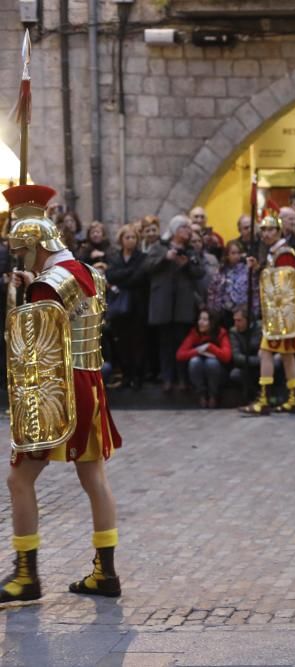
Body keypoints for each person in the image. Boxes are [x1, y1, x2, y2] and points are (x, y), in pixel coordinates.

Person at [1, 184, 123, 604]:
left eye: (22, 251)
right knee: (93, 477)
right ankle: (105, 571)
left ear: (35, 244)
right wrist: (27, 285)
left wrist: (17, 296)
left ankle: (25, 575)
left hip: (57, 389)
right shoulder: (88, 273)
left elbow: (33, 351)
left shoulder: (48, 285)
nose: (20, 257)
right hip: (90, 381)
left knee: (19, 478)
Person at [242, 216, 295, 415]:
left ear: (278, 231)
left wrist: (260, 271)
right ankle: (293, 398)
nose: (266, 233)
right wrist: (259, 268)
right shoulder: (272, 253)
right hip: (278, 316)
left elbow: (282, 286)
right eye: (263, 230)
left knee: (266, 353)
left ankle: (264, 399)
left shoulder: (284, 253)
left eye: (270, 230)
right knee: (287, 356)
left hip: (281, 317)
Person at [145, 214, 205, 392]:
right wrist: (165, 259)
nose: (188, 231)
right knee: (165, 343)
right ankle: (167, 378)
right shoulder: (158, 247)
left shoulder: (191, 250)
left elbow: (199, 271)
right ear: (175, 230)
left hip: (182, 303)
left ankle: (182, 378)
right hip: (163, 303)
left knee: (182, 341)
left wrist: (186, 264)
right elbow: (146, 267)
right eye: (184, 227)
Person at [105, 223, 148, 390]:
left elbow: (139, 277)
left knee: (138, 342)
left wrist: (122, 278)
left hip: (137, 307)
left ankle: (138, 376)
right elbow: (111, 275)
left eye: (133, 237)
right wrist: (127, 273)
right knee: (121, 343)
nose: (130, 240)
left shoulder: (142, 257)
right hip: (119, 308)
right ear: (121, 240)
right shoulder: (115, 258)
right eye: (127, 237)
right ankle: (126, 374)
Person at [176, 309, 233, 408]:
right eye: (200, 319)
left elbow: (227, 356)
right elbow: (180, 354)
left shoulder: (221, 333)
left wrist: (210, 347)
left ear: (212, 322)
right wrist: (198, 351)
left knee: (212, 363)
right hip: (199, 370)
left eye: (205, 320)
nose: (200, 322)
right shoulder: (195, 333)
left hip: (218, 373)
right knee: (194, 362)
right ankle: (201, 395)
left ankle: (213, 396)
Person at [228, 307, 262, 401]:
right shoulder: (233, 331)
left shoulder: (260, 328)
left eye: (239, 320)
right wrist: (259, 360)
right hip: (247, 366)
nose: (236, 324)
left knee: (276, 362)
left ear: (248, 320)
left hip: (262, 367)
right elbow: (237, 357)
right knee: (235, 374)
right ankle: (256, 395)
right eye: (235, 320)